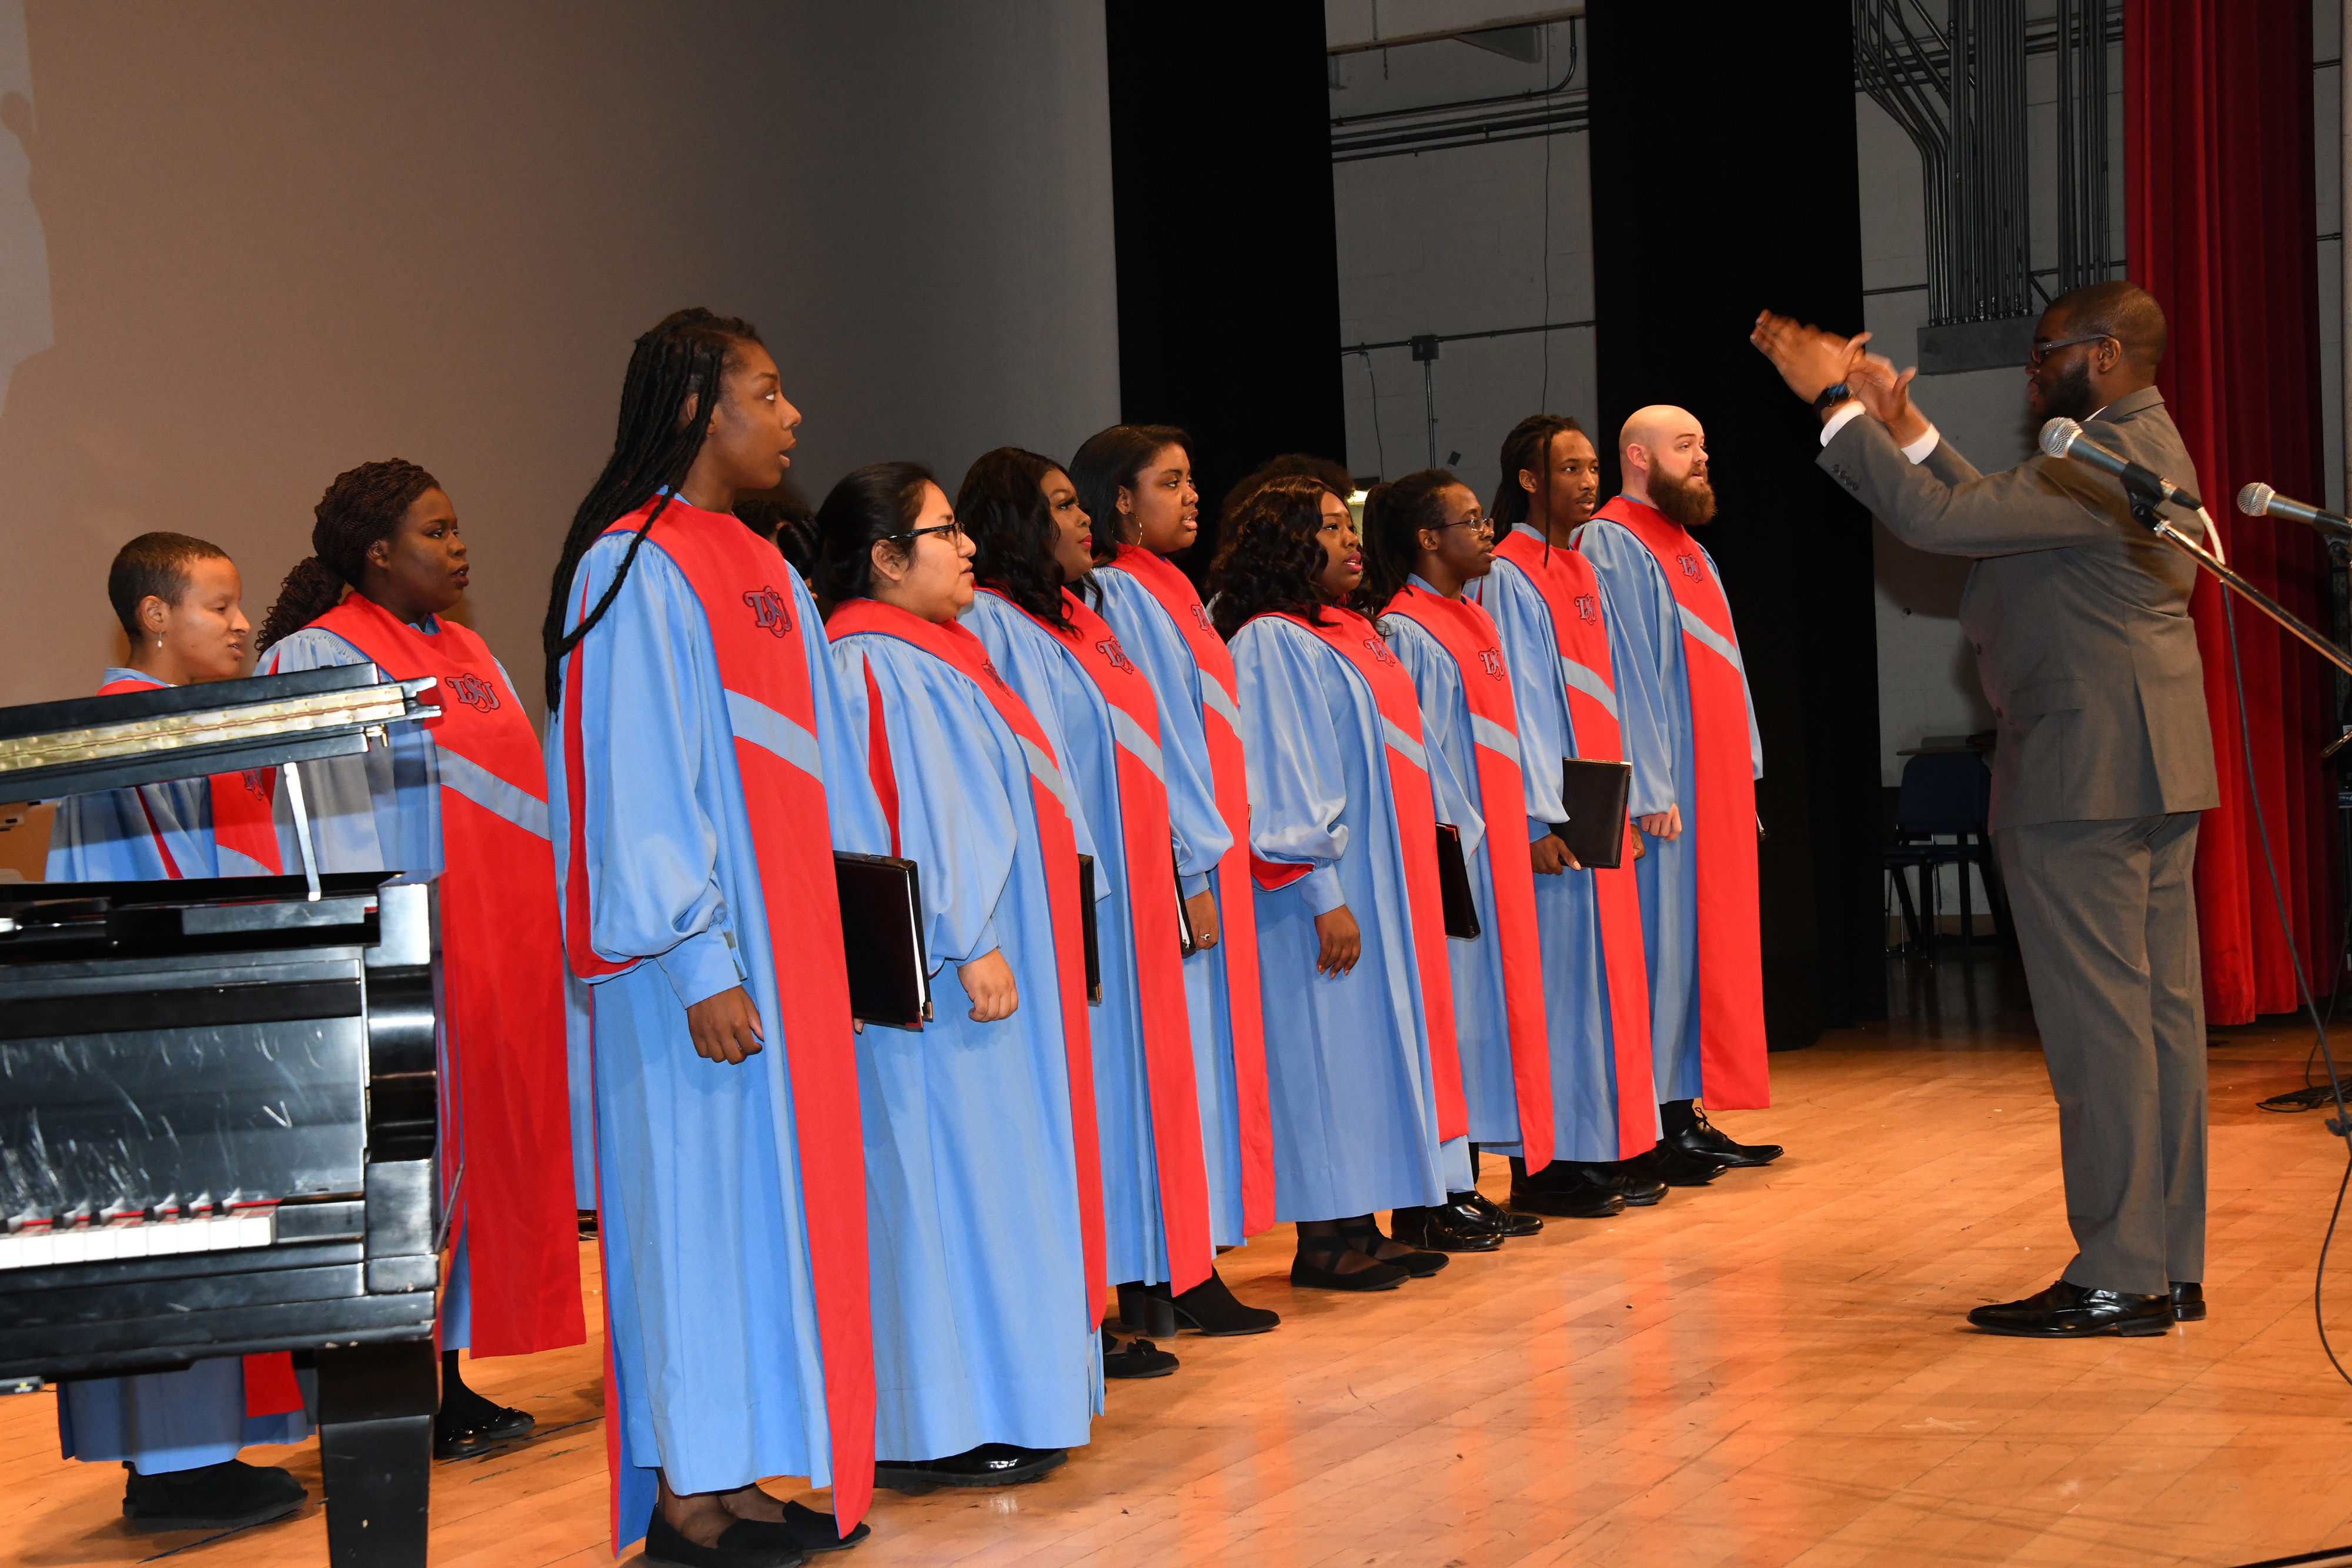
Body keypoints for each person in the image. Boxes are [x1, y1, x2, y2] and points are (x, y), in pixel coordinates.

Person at [1752, 280, 2216, 1338]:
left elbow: (1938, 521)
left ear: (2100, 353)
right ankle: (2163, 1260)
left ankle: (2117, 1272)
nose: (2029, 368)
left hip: (2079, 775)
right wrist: (1904, 423)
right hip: (2149, 766)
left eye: (2045, 350)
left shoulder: (2103, 456)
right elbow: (1988, 521)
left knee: (2103, 1035)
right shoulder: (2130, 449)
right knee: (2155, 1027)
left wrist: (1834, 406)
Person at [544, 308, 880, 1567]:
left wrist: (849, 945)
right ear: (697, 409)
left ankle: (739, 1473)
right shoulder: (629, 563)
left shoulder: (767, 563)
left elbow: (826, 773)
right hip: (698, 969)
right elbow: (639, 778)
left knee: (766, 1218)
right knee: (692, 1211)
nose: (791, 418)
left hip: (787, 955)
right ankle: (687, 1494)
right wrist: (697, 959)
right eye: (768, 392)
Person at [255, 462, 586, 1461]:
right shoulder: (322, 651)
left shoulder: (470, 649)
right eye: (435, 532)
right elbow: (324, 825)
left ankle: (444, 1379)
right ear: (376, 552)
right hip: (409, 961)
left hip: (500, 954)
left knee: (467, 1174)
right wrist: (378, 953)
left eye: (457, 529)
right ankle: (392, 1396)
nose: (458, 548)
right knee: (405, 1175)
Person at [819, 460, 1107, 1489]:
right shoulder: (874, 662)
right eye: (944, 532)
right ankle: (947, 1418)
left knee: (1000, 1183)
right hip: (949, 983)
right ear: (886, 559)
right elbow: (905, 814)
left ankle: (1006, 1394)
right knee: (956, 1186)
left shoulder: (937, 653)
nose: (969, 546)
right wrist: (966, 936)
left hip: (992, 962)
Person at [45, 532, 311, 1534]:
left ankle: (198, 1459)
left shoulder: (176, 721)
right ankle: (176, 1470)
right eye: (219, 606)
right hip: (155, 1035)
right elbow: (156, 894)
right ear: (156, 618)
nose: (243, 625)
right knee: (171, 1243)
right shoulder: (128, 728)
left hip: (181, 1023)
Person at [958, 446, 1221, 1374]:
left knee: (1122, 1106)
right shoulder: (993, 624)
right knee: (1083, 1108)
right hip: (1072, 908)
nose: (1081, 523)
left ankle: (1127, 1289)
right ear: (1015, 525)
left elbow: (1148, 746)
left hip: (1128, 899)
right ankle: (1081, 1314)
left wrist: (1186, 869)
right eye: (1062, 506)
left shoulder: (1080, 617)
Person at [1210, 475, 1474, 1290]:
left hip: (1384, 885)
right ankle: (1322, 1239)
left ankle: (1361, 1221)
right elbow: (1284, 776)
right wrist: (1324, 894)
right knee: (1327, 1057)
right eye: (1328, 528)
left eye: (1349, 525)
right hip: (1317, 894)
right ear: (1287, 545)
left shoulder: (1348, 631)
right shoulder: (1270, 640)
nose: (1352, 541)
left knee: (1371, 1057)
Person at [1079, 424, 1281, 1336]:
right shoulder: (1121, 592)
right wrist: (1189, 860)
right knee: (1176, 1069)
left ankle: (1185, 1261)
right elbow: (1158, 744)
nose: (1193, 496)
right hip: (1175, 862)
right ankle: (1168, 1277)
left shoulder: (1174, 591)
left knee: (1202, 1069)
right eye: (1171, 482)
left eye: (1193, 479)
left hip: (1208, 854)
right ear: (1120, 501)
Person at [1481, 417, 1688, 1209]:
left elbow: (1629, 681)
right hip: (1560, 812)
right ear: (1530, 479)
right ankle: (1548, 1163)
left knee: (1607, 984)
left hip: (1602, 800)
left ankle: (1606, 1142)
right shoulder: (1507, 573)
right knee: (1559, 987)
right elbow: (1523, 707)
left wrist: (1650, 793)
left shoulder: (1581, 567)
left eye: (1592, 466)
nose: (1586, 481)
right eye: (1568, 468)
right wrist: (1542, 818)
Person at [1572, 406, 1785, 1172]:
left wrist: (1744, 769)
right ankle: (1654, 1120)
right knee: (1663, 951)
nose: (1702, 458)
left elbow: (1725, 664)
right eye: (1685, 446)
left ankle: (1683, 1107)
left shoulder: (1686, 545)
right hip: (1667, 794)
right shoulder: (1612, 540)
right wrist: (1652, 783)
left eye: (1703, 444)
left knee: (1703, 950)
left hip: (1711, 787)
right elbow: (1624, 676)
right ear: (1639, 456)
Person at [1357, 470, 1555, 1249]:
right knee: (1454, 1022)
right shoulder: (1408, 630)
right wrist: (1450, 852)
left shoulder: (1472, 619)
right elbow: (1426, 762)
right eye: (1468, 521)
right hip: (1452, 857)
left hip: (1495, 847)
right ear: (1426, 540)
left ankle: (1464, 1183)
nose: (1486, 532)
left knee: (1482, 1023)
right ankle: (1431, 1199)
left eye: (1484, 518)